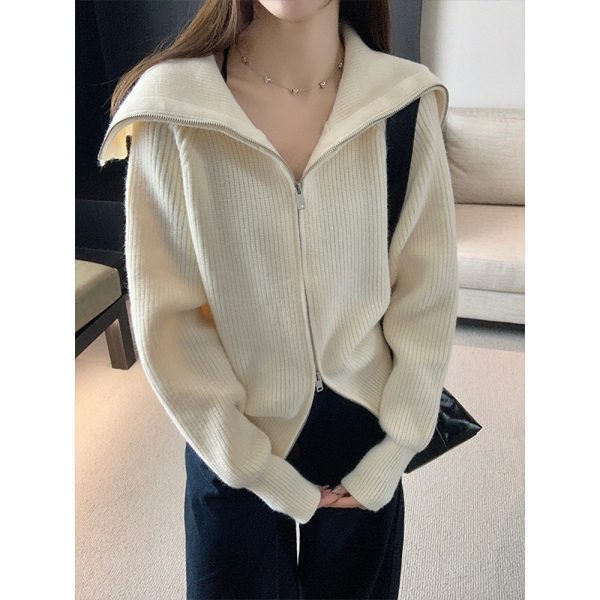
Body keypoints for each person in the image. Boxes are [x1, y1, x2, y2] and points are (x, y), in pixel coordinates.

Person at [98, 0, 459, 598]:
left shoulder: (403, 102)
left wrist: (395, 449)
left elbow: (426, 296)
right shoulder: (172, 109)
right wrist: (251, 465)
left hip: (365, 445)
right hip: (232, 448)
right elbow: (170, 321)